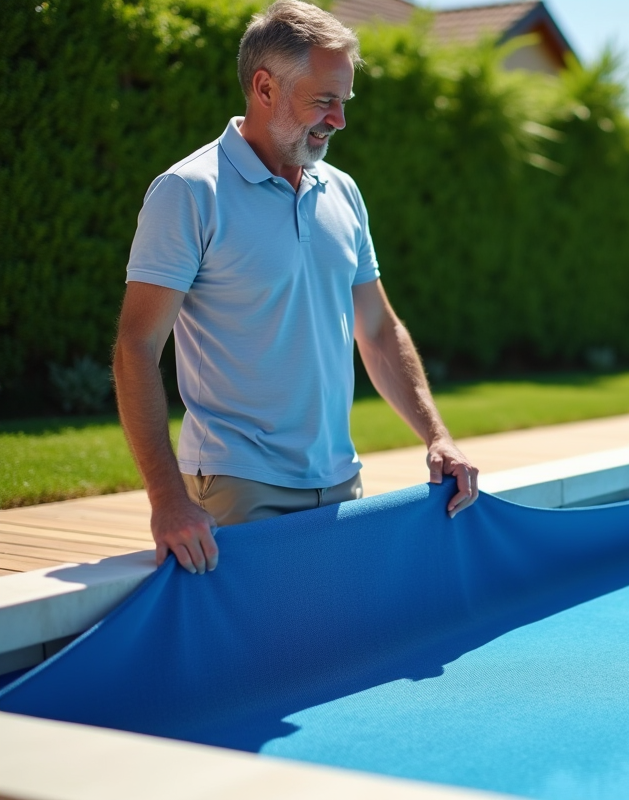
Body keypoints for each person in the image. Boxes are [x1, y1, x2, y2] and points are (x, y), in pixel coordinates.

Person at [112, 0, 477, 577]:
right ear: (264, 88)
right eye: (324, 100)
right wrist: (166, 501)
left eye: (343, 100)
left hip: (340, 480)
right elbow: (135, 347)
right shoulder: (188, 192)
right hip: (238, 487)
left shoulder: (343, 192)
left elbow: (378, 330)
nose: (339, 119)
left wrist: (438, 436)